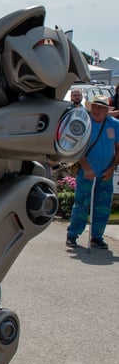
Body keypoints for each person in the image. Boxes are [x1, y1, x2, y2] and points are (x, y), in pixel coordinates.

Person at [66, 95, 119, 249]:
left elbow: (118, 148)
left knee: (103, 206)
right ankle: (73, 234)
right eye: (94, 107)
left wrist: (112, 167)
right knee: (81, 204)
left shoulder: (114, 124)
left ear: (106, 110)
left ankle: (97, 237)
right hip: (87, 171)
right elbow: (77, 148)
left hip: (105, 173)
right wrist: (87, 168)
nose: (96, 110)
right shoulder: (84, 124)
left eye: (100, 108)